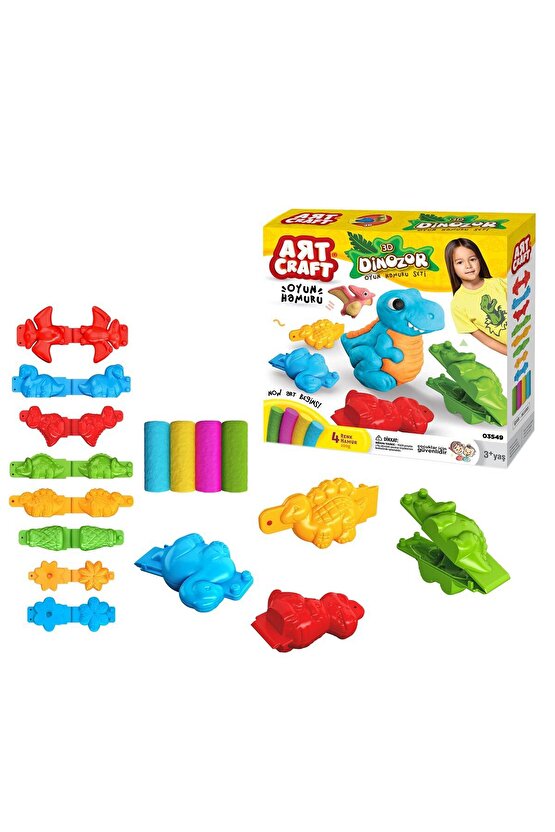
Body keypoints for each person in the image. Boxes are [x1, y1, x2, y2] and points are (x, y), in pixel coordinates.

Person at [445, 238, 507, 354]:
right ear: (452, 266)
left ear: (479, 260)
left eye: (472, 259)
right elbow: (488, 341)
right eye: (460, 262)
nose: (468, 265)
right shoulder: (457, 304)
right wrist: (513, 353)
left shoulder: (499, 284)